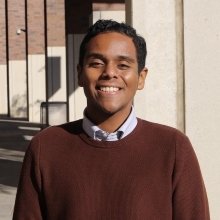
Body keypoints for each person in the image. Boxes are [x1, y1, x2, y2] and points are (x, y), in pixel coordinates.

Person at [13, 19, 210, 220]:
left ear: (141, 77)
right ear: (80, 73)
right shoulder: (46, 147)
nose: (109, 73)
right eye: (96, 63)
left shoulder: (173, 147)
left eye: (123, 65)